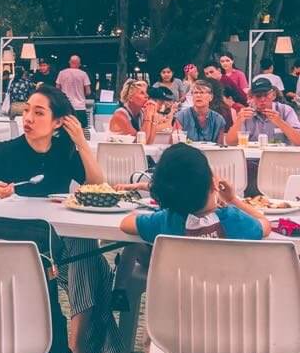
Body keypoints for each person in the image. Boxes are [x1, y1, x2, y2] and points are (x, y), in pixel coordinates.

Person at [0, 86, 123, 353]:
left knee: (87, 250)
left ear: (59, 122)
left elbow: (100, 187)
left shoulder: (65, 152)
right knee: (95, 262)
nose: (27, 117)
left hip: (59, 241)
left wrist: (83, 144)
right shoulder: (8, 151)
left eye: (38, 112)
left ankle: (75, 347)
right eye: (27, 110)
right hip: (22, 247)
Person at [120, 143, 270, 242]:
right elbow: (265, 224)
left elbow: (125, 224)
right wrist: (232, 199)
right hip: (227, 290)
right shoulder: (234, 219)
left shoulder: (166, 220)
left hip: (179, 290)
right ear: (214, 184)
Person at [225, 76, 300, 146]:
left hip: (279, 157)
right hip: (251, 158)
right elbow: (230, 143)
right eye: (258, 96)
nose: (262, 100)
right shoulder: (246, 114)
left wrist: (280, 122)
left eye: (266, 95)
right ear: (252, 98)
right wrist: (239, 121)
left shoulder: (285, 110)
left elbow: (298, 141)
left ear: (273, 95)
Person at [55, 55, 91, 126]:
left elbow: (57, 90)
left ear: (69, 62)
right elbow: (88, 92)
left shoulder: (62, 73)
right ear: (79, 64)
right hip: (80, 107)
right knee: (81, 130)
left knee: (65, 131)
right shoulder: (83, 74)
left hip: (66, 107)